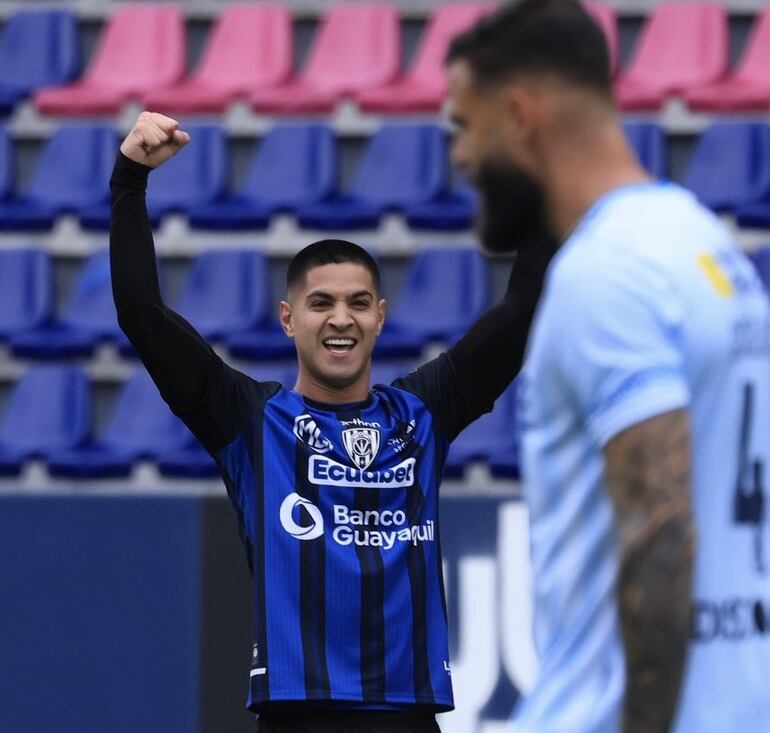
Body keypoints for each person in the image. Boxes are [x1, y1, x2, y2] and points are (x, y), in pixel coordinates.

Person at [110, 111, 551, 732]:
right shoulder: (250, 419)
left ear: (380, 317)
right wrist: (130, 180)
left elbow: (527, 309)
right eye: (321, 303)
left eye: (358, 303)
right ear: (289, 319)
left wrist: (540, 175)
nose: (340, 318)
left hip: (408, 714)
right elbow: (142, 315)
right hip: (298, 714)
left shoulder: (424, 411)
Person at [445, 1, 770, 731]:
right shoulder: (703, 245)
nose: (460, 156)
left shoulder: (604, 273)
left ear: (519, 115)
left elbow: (661, 533)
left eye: (466, 126)